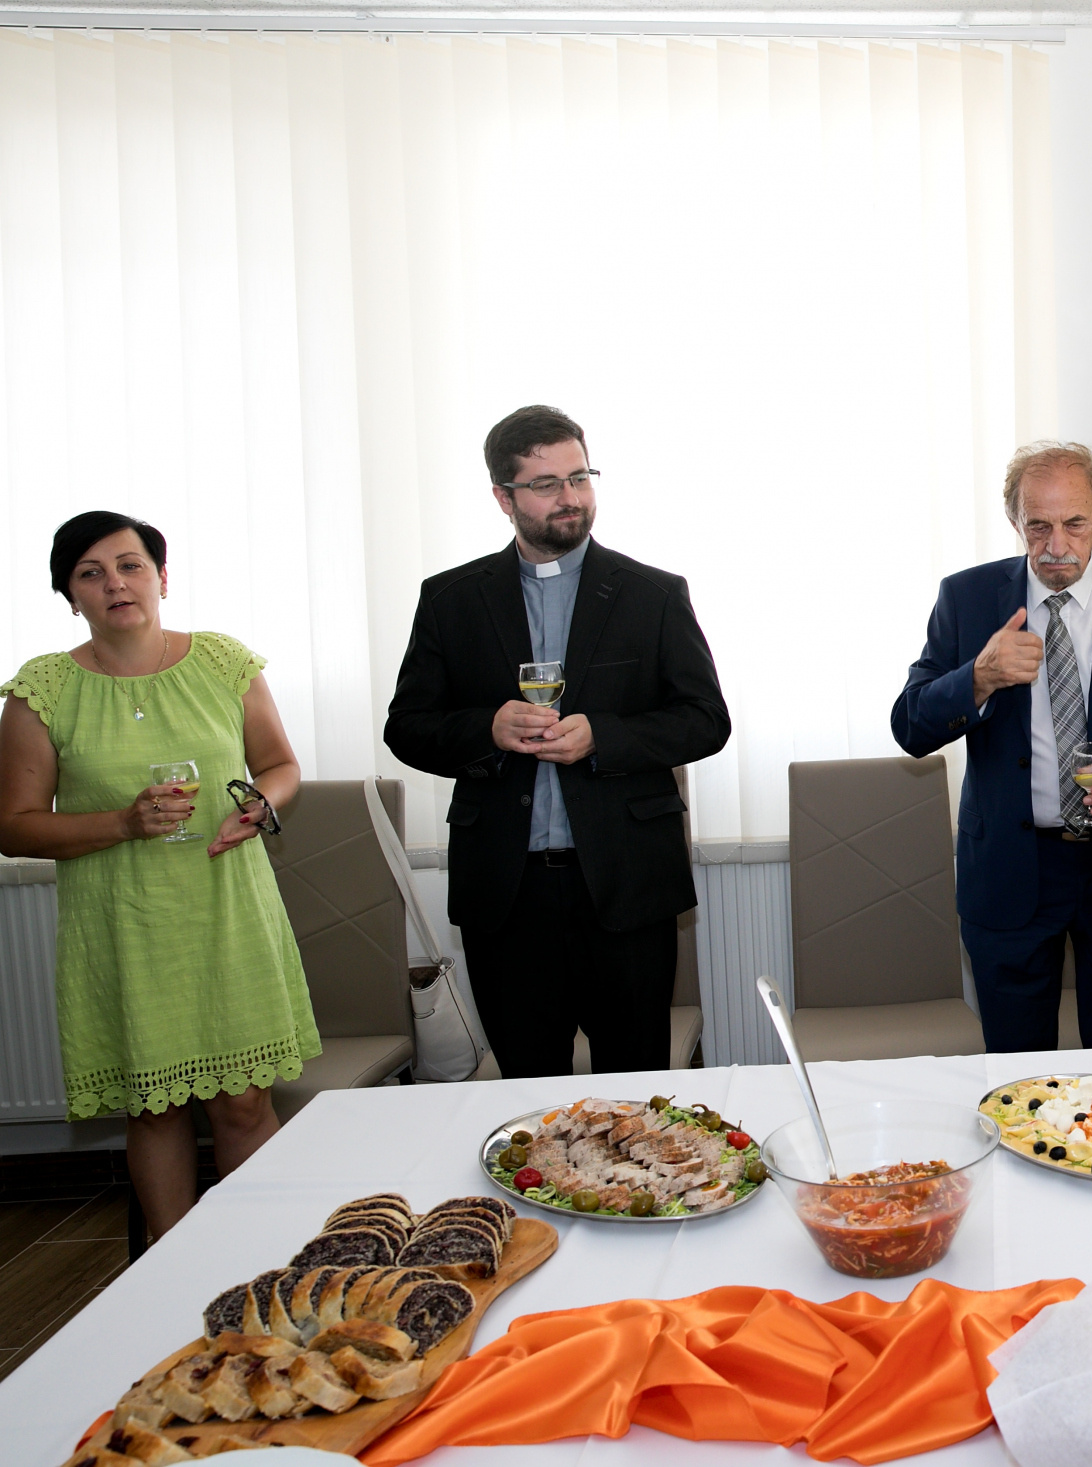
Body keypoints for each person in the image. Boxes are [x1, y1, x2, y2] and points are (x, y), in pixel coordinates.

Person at [384, 405, 730, 1077]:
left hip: (625, 886)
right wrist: (487, 728)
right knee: (526, 1091)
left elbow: (705, 718)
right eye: (546, 484)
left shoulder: (652, 594)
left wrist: (605, 736)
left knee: (635, 1090)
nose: (570, 497)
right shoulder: (451, 599)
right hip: (506, 894)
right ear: (503, 497)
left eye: (580, 477)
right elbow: (407, 726)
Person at [0, 512, 314, 1239]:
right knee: (155, 1107)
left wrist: (261, 804)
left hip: (228, 913)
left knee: (244, 1102)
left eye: (130, 565)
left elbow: (279, 765)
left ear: (162, 578)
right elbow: (13, 824)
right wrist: (121, 822)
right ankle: (175, 1277)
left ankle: (260, 1261)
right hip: (123, 926)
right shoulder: (42, 689)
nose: (115, 583)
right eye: (90, 573)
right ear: (70, 596)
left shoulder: (222, 662)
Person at [892, 442, 1092, 1053]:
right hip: (1010, 871)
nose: (1056, 545)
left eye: (1075, 524)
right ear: (1014, 521)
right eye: (1038, 525)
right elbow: (911, 726)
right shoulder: (967, 598)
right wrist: (978, 677)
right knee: (1017, 1079)